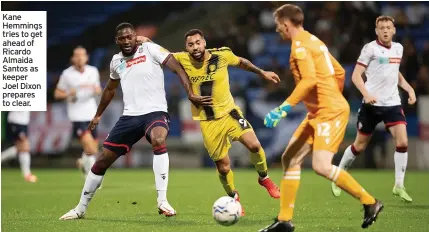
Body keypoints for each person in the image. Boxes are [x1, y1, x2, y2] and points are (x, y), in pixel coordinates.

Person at [59, 22, 211, 220]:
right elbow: (110, 89)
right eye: (122, 38)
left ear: (135, 37)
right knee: (102, 160)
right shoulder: (116, 61)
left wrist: (190, 93)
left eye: (129, 36)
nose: (126, 41)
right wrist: (98, 115)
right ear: (117, 41)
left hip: (155, 112)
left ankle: (162, 200)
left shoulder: (150, 48)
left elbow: (178, 68)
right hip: (130, 116)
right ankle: (80, 208)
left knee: (158, 139)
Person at [259, 4, 383, 231]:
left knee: (321, 166)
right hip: (321, 111)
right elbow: (340, 72)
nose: (277, 30)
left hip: (329, 112)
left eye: (278, 25)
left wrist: (284, 108)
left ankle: (370, 202)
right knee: (290, 158)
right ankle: (285, 221)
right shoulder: (314, 41)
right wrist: (328, 96)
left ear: (286, 24)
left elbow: (308, 81)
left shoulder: (299, 47)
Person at [136, 29, 282, 216]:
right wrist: (146, 40)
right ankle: (233, 197)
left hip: (230, 113)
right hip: (208, 121)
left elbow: (242, 62)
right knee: (223, 167)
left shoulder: (222, 55)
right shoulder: (181, 59)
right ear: (186, 47)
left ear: (204, 43)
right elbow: (161, 52)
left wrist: (262, 72)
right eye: (191, 44)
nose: (195, 47)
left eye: (198, 43)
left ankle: (264, 178)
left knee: (254, 145)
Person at [331, 16, 416, 203]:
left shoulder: (398, 48)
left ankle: (399, 185)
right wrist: (366, 94)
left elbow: (396, 73)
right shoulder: (370, 49)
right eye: (381, 28)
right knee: (359, 146)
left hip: (392, 103)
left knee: (402, 142)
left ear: (394, 30)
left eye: (388, 27)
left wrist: (409, 88)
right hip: (371, 105)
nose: (385, 30)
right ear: (376, 31)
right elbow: (355, 76)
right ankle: (338, 177)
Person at [54, 46, 102, 177]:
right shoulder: (67, 74)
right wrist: (69, 93)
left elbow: (97, 89)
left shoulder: (93, 71)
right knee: (91, 149)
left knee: (91, 149)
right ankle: (91, 178)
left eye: (82, 55)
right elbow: (57, 94)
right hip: (77, 116)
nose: (80, 58)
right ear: (72, 59)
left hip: (91, 113)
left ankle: (82, 163)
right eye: (77, 55)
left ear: (86, 57)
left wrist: (98, 91)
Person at [3, 111, 37, 183]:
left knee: (22, 148)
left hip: (23, 122)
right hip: (16, 121)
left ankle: (27, 174)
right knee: (25, 145)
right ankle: (27, 174)